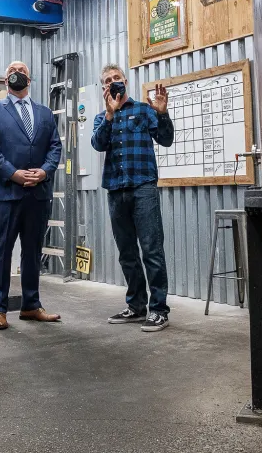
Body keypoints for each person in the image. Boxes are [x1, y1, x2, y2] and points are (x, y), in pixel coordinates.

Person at [0, 61, 63, 330]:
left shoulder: (45, 113)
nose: (18, 75)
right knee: (1, 251)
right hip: (4, 193)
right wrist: (12, 173)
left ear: (30, 78)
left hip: (37, 193)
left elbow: (55, 146)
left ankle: (30, 305)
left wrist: (45, 171)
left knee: (32, 251)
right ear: (6, 80)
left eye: (23, 71)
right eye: (12, 72)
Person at [90, 64, 174, 332]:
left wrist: (162, 114)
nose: (113, 83)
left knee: (151, 249)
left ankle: (159, 310)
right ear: (103, 88)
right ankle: (137, 306)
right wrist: (109, 115)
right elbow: (98, 144)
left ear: (125, 81)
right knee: (127, 252)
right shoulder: (102, 117)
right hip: (116, 190)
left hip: (143, 188)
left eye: (117, 78)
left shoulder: (144, 110)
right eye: (107, 81)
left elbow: (166, 139)